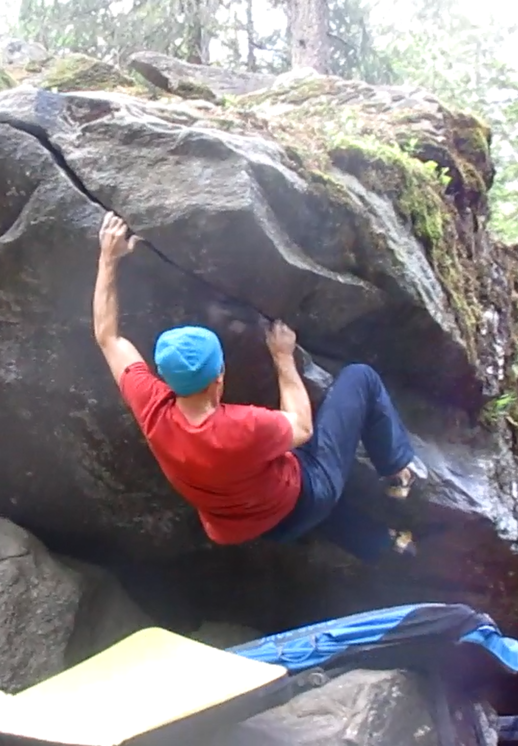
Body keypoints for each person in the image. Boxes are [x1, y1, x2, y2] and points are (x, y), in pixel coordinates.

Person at [92, 211, 424, 561]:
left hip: (256, 526)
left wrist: (107, 258)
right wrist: (283, 357)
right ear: (219, 375)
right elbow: (301, 427)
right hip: (299, 498)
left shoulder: (152, 408)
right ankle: (397, 475)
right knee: (361, 379)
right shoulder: (241, 427)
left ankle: (385, 545)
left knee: (288, 485)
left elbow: (108, 337)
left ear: (165, 376)